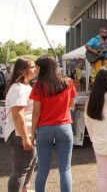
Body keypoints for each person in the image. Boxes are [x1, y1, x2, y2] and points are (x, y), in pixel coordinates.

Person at [30, 55, 77, 192]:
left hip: (44, 128)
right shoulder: (68, 82)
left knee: (43, 168)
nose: (37, 71)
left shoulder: (38, 85)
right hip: (64, 126)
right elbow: (72, 104)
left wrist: (32, 132)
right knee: (65, 168)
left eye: (38, 68)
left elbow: (36, 111)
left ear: (44, 68)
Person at [4, 58, 37, 192]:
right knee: (21, 169)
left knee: (31, 162)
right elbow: (18, 115)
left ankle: (24, 189)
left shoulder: (25, 86)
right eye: (32, 67)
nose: (35, 70)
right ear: (23, 70)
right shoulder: (18, 88)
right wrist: (25, 138)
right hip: (19, 134)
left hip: (24, 133)